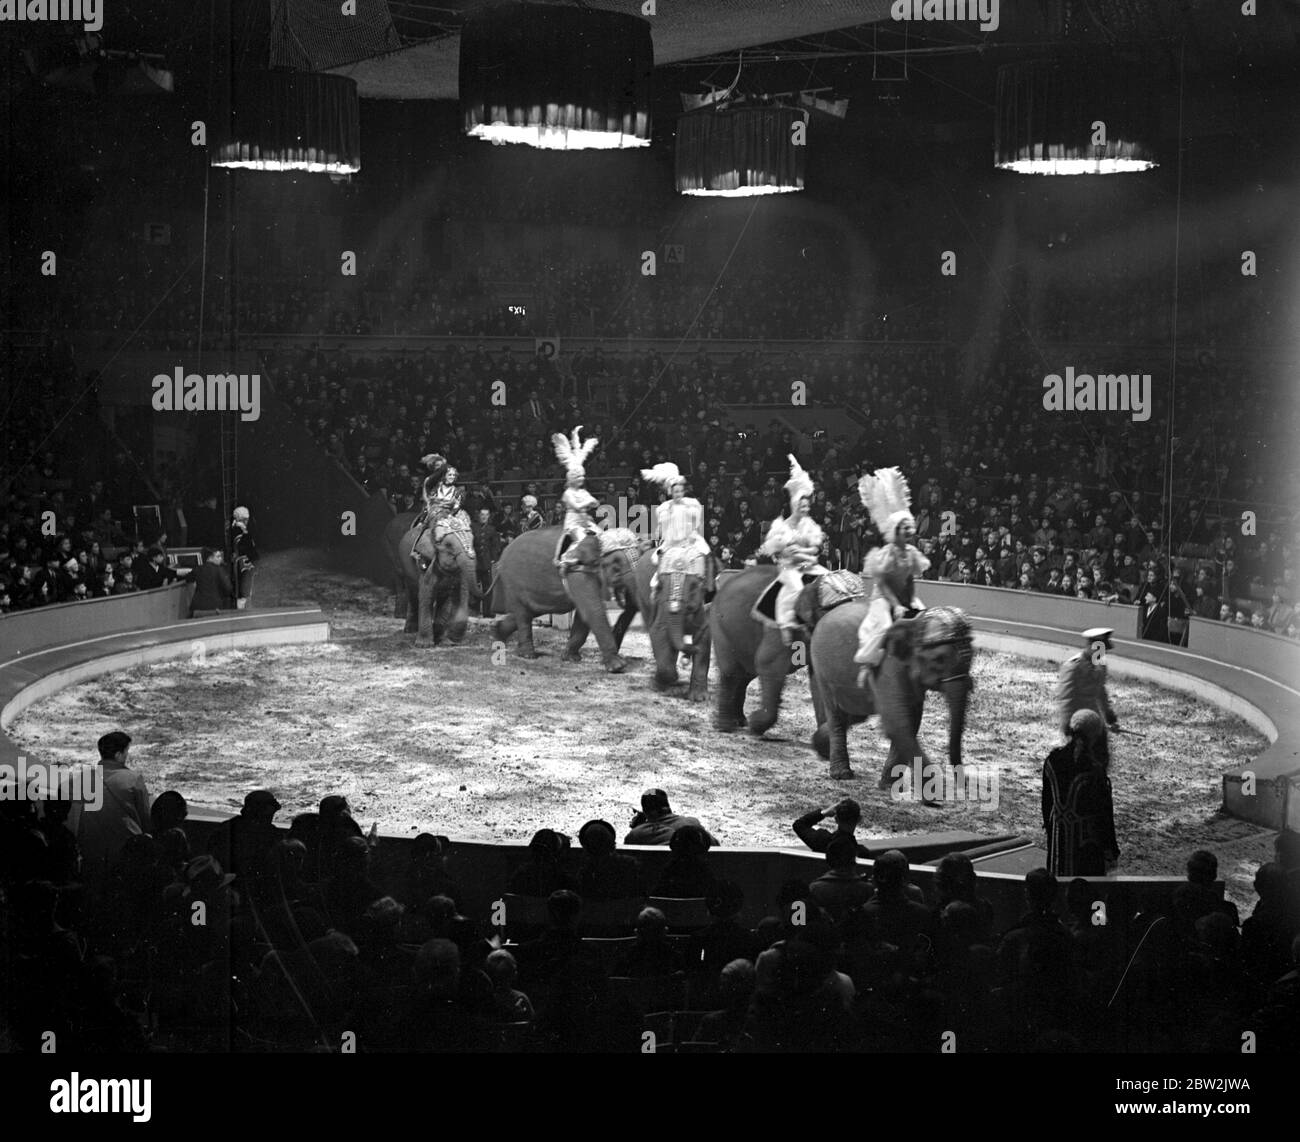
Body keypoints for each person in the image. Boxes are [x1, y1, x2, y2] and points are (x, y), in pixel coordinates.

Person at [854, 466, 929, 686]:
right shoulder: (886, 553)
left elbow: (909, 580)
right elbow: (883, 584)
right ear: (895, 530)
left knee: (924, 620)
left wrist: (910, 602)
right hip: (882, 597)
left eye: (909, 526)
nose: (907, 530)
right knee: (885, 626)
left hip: (902, 596)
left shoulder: (912, 553)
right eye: (903, 527)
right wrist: (896, 605)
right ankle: (867, 665)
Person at [1041, 709, 1120, 877]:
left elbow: (1046, 803)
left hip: (1058, 838)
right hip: (1085, 848)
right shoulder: (1094, 770)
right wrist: (1110, 850)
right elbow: (1103, 816)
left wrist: (1051, 829)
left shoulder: (1051, 760)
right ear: (1094, 737)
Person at [758, 455, 827, 645]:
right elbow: (787, 553)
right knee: (796, 587)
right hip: (789, 568)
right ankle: (787, 625)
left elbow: (814, 549)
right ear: (794, 505)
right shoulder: (782, 527)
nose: (805, 508)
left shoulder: (810, 524)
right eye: (801, 505)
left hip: (810, 566)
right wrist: (801, 554)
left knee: (829, 581)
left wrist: (806, 555)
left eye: (807, 506)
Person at [77, 731, 152, 888]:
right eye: (126, 752)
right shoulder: (133, 779)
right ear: (118, 755)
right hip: (125, 852)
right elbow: (145, 817)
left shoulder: (84, 777)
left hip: (92, 851)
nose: (127, 755)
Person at [641, 461, 712, 594]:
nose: (678, 494)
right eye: (675, 492)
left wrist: (691, 537)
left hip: (690, 540)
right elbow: (662, 530)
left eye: (680, 491)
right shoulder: (664, 508)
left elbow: (696, 523)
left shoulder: (692, 504)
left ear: (683, 491)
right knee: (657, 559)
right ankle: (659, 587)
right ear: (671, 492)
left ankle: (707, 585)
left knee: (705, 553)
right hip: (671, 543)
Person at [1055, 627, 1120, 740]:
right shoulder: (1073, 667)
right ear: (1091, 646)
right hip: (1077, 722)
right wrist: (1066, 725)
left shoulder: (1100, 666)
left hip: (1094, 721)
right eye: (1100, 649)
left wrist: (1109, 717)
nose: (1103, 653)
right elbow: (1066, 698)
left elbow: (1100, 692)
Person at [552, 426, 601, 568]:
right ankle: (566, 558)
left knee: (601, 536)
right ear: (572, 478)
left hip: (585, 520)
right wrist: (589, 502)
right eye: (578, 476)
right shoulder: (568, 493)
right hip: (573, 522)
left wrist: (592, 501)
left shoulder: (583, 492)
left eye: (582, 476)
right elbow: (578, 506)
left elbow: (595, 503)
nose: (581, 478)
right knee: (580, 539)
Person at [624, 788, 719, 848]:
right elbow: (716, 846)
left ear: (645, 812)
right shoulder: (693, 823)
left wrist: (639, 827)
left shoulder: (637, 834)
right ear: (668, 806)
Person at [792, 798, 873, 860]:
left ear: (836, 819)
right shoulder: (862, 854)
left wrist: (823, 813)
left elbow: (799, 825)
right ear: (859, 819)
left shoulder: (821, 841)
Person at [228, 506, 258, 609]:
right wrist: (245, 532)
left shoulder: (237, 529)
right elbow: (247, 548)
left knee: (244, 591)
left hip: (241, 563)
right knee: (243, 592)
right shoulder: (238, 531)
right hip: (243, 564)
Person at [189, 546, 233, 616]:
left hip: (197, 608)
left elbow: (188, 579)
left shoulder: (197, 569)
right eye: (218, 556)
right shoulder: (219, 570)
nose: (220, 559)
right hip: (214, 608)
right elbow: (228, 588)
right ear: (210, 558)